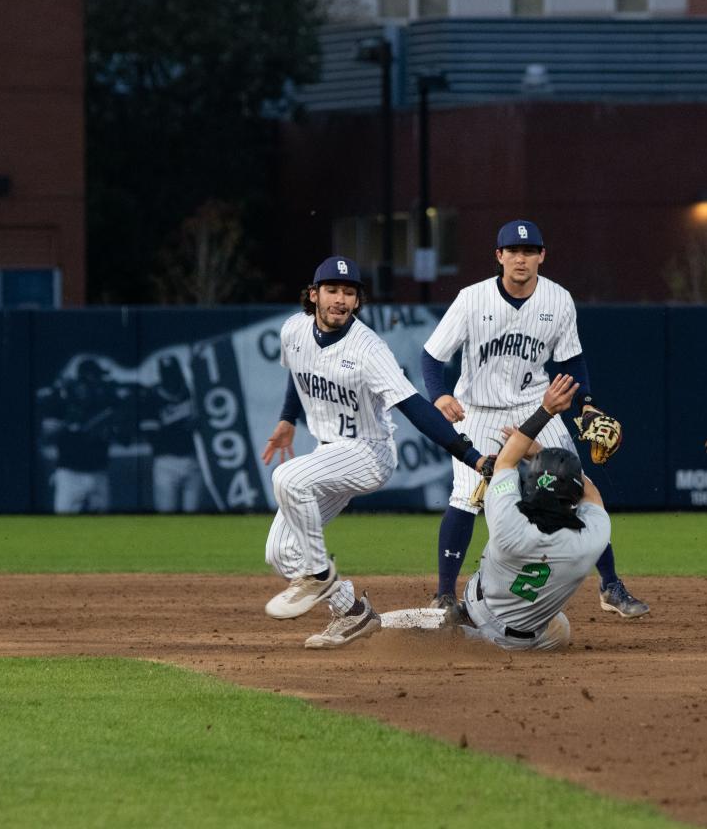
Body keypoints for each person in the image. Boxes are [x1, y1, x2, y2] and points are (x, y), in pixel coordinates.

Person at [262, 256, 493, 649]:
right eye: (333, 290)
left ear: (357, 301)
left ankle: (318, 577)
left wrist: (471, 456)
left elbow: (415, 406)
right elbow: (297, 373)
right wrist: (287, 419)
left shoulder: (368, 348)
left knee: (287, 478)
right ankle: (353, 613)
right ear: (314, 294)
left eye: (349, 293)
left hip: (369, 454)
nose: (340, 299)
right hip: (329, 453)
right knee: (281, 553)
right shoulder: (294, 331)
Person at [420, 219, 649, 617]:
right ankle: (443, 594)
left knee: (577, 487)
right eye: (512, 251)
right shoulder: (472, 299)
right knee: (466, 497)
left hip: (538, 405)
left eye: (529, 251)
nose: (520, 259)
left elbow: (572, 358)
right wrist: (439, 394)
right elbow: (431, 356)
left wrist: (587, 404)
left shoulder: (558, 300)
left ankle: (611, 585)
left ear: (542, 256)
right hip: (479, 410)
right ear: (499, 257)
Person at [444, 373, 610, 651]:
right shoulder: (590, 541)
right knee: (562, 628)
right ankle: (493, 641)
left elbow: (506, 460)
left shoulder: (509, 523)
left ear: (532, 484)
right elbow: (593, 496)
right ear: (573, 493)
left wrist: (546, 410)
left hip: (480, 611)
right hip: (529, 640)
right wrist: (553, 460)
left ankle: (466, 631)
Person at [38, 358, 121, 513]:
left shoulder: (105, 402)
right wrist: (68, 424)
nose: (99, 382)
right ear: (86, 378)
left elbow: (124, 439)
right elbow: (46, 435)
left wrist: (109, 431)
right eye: (96, 377)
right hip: (70, 473)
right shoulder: (62, 400)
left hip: (98, 471)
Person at [142, 355, 206, 513]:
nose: (171, 379)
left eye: (173, 374)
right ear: (161, 375)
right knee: (166, 517)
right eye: (167, 375)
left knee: (193, 517)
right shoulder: (151, 398)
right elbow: (152, 436)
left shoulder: (191, 393)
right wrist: (181, 428)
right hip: (166, 462)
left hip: (192, 460)